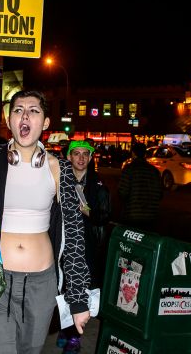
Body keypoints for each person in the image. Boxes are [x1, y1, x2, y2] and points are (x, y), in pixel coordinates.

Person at [0, 89, 91, 353]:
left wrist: (78, 299)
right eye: (18, 110)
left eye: (34, 110)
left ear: (46, 123)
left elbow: (74, 235)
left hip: (42, 285)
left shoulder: (59, 168)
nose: (25, 115)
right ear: (9, 120)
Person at [57, 140, 112, 354]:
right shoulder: (59, 182)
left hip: (87, 248)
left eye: (85, 154)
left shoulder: (98, 186)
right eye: (76, 153)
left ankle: (73, 337)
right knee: (63, 288)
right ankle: (65, 328)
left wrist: (84, 210)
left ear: (90, 158)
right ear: (69, 157)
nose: (81, 158)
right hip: (61, 244)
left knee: (80, 290)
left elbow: (104, 216)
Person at [118, 142, 163, 231]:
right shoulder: (154, 171)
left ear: (133, 153)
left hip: (132, 214)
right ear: (145, 154)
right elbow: (160, 193)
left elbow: (122, 192)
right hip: (151, 215)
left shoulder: (129, 169)